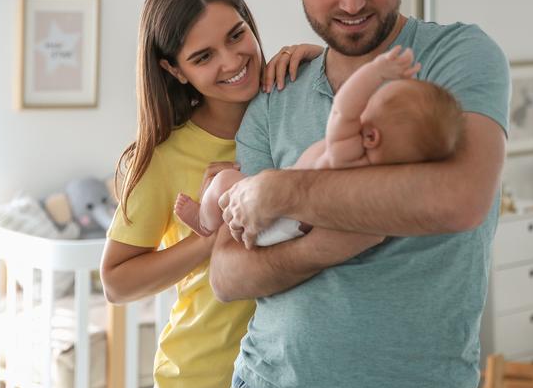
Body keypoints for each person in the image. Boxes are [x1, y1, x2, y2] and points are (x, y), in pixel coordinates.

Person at [208, 0, 510, 388]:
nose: (350, 2)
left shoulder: (457, 58)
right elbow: (228, 275)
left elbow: (458, 198)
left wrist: (280, 191)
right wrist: (331, 243)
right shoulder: (275, 94)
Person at [100, 0, 321, 388]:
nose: (231, 60)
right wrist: (208, 238)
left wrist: (325, 64)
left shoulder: (297, 101)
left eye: (236, 35)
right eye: (203, 57)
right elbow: (116, 282)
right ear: (173, 70)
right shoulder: (165, 157)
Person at [175, 45, 464, 247]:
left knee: (224, 180)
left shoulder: (349, 150)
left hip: (275, 219)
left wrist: (375, 71)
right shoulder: (380, 174)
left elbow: (343, 108)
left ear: (373, 136)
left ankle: (205, 222)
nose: (364, 106)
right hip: (291, 223)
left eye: (375, 102)